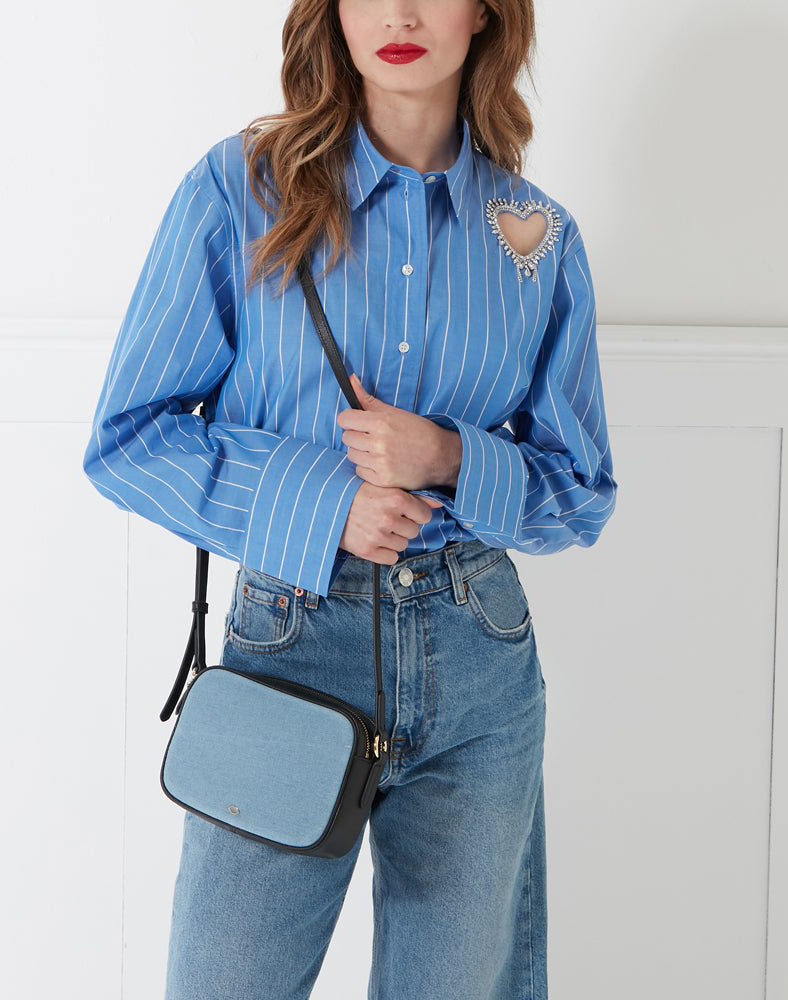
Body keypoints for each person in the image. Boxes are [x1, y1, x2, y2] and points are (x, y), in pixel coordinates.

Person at [84, 1, 616, 996]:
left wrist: (450, 454)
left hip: (478, 659)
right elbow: (129, 437)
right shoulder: (242, 191)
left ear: (487, 15)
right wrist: (324, 502)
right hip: (294, 640)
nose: (402, 13)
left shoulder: (535, 241)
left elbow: (578, 492)